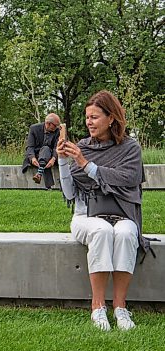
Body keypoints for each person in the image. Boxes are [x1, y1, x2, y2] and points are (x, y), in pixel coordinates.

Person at [57, 90, 145, 331]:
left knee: (127, 233)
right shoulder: (82, 146)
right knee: (102, 230)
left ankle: (120, 307)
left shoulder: (130, 148)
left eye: (94, 117)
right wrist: (64, 161)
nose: (89, 122)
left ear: (111, 118)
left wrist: (87, 165)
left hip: (122, 212)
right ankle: (98, 307)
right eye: (87, 117)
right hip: (86, 215)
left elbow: (128, 178)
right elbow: (69, 194)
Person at [22, 113, 60, 188]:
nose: (57, 127)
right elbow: (30, 146)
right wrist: (32, 158)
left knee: (45, 149)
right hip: (36, 157)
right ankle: (48, 185)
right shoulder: (34, 128)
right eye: (55, 125)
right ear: (48, 124)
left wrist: (53, 159)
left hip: (51, 157)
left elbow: (57, 147)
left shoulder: (58, 131)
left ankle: (39, 174)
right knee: (44, 151)